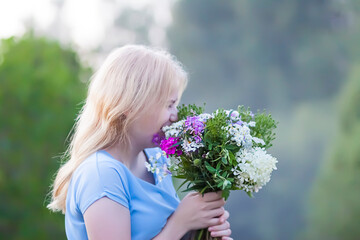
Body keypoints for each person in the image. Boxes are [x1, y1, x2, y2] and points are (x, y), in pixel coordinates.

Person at [47, 45, 232, 240]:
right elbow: (172, 228)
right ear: (131, 105)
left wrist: (200, 229)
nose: (175, 115)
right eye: (169, 105)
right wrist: (180, 223)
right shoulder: (102, 174)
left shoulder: (155, 158)